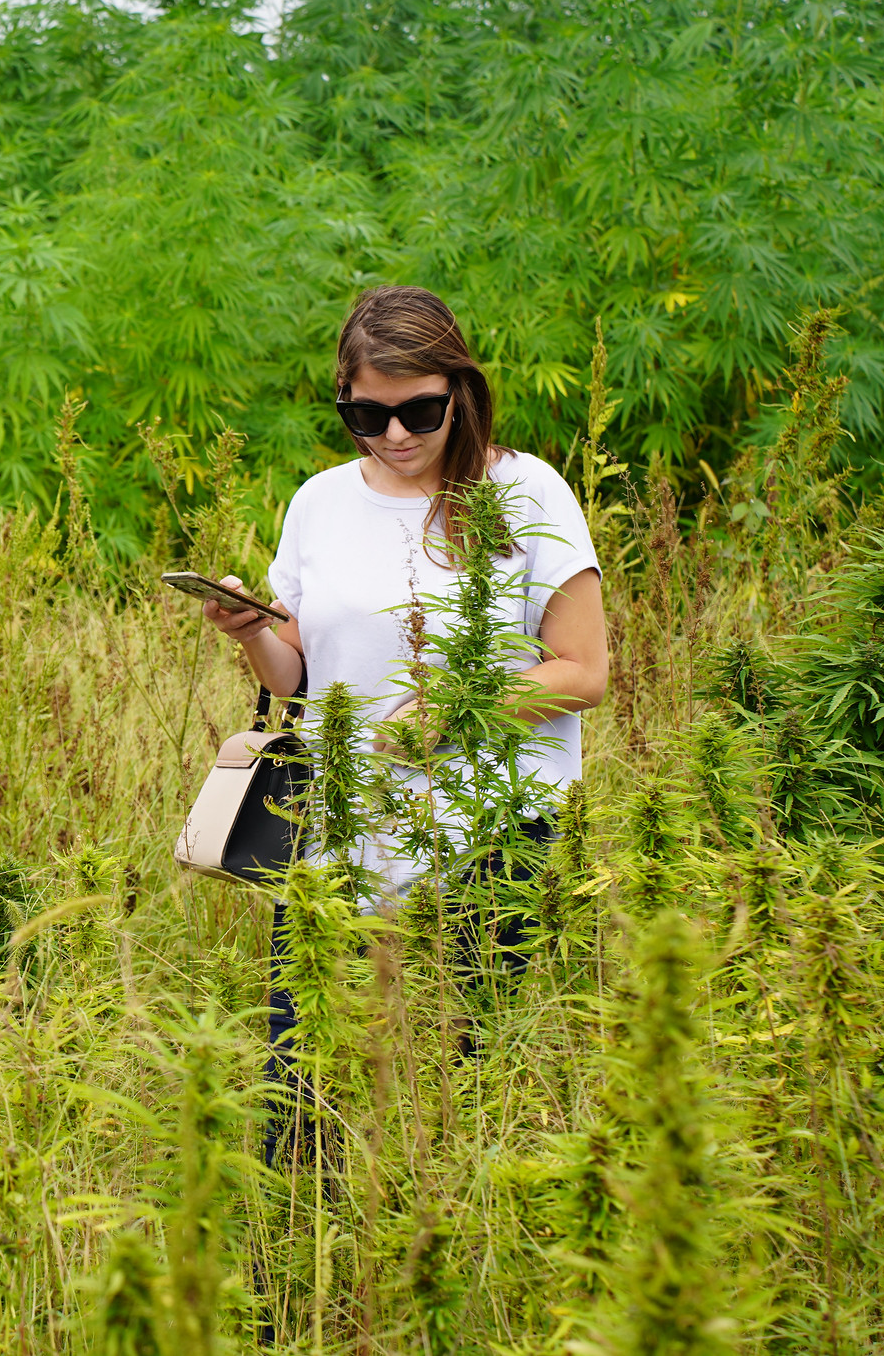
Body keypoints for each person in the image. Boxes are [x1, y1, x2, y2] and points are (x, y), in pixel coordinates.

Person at [200, 285, 608, 1153]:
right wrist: (251, 632)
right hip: (338, 831)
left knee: (460, 1091)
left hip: (487, 835)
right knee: (303, 1095)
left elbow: (584, 671)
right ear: (343, 398)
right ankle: (303, 1273)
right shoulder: (318, 501)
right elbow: (302, 667)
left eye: (420, 409)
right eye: (367, 415)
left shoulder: (526, 492)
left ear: (460, 390)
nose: (395, 436)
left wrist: (455, 712)